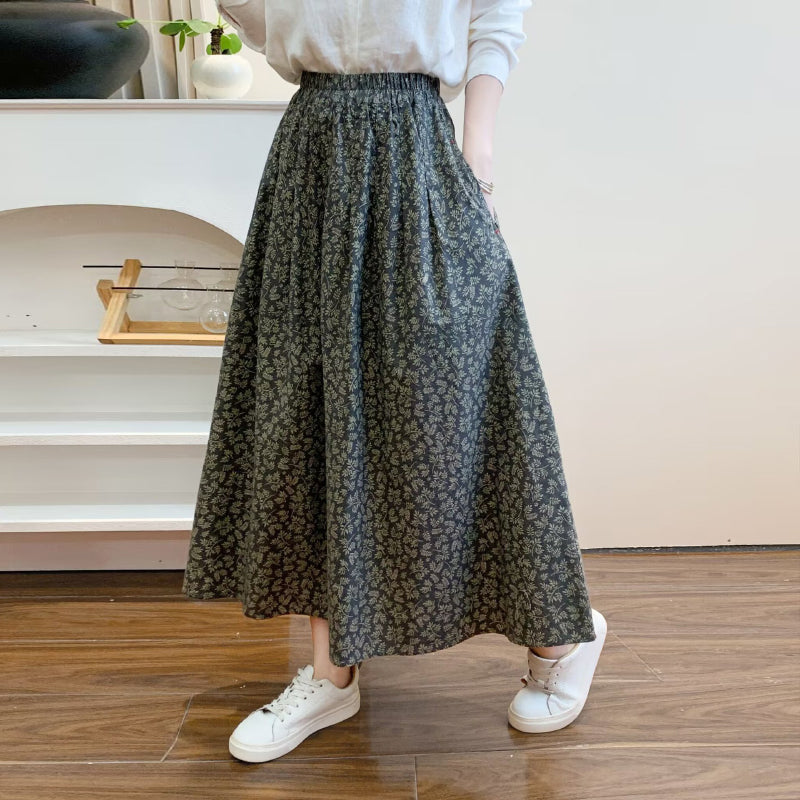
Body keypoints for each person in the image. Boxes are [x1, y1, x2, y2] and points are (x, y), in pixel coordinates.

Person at [182, 0, 607, 763]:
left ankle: (562, 637)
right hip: (313, 147)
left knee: (446, 410)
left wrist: (478, 156)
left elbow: (496, 15)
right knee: (309, 405)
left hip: (417, 146)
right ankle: (332, 670)